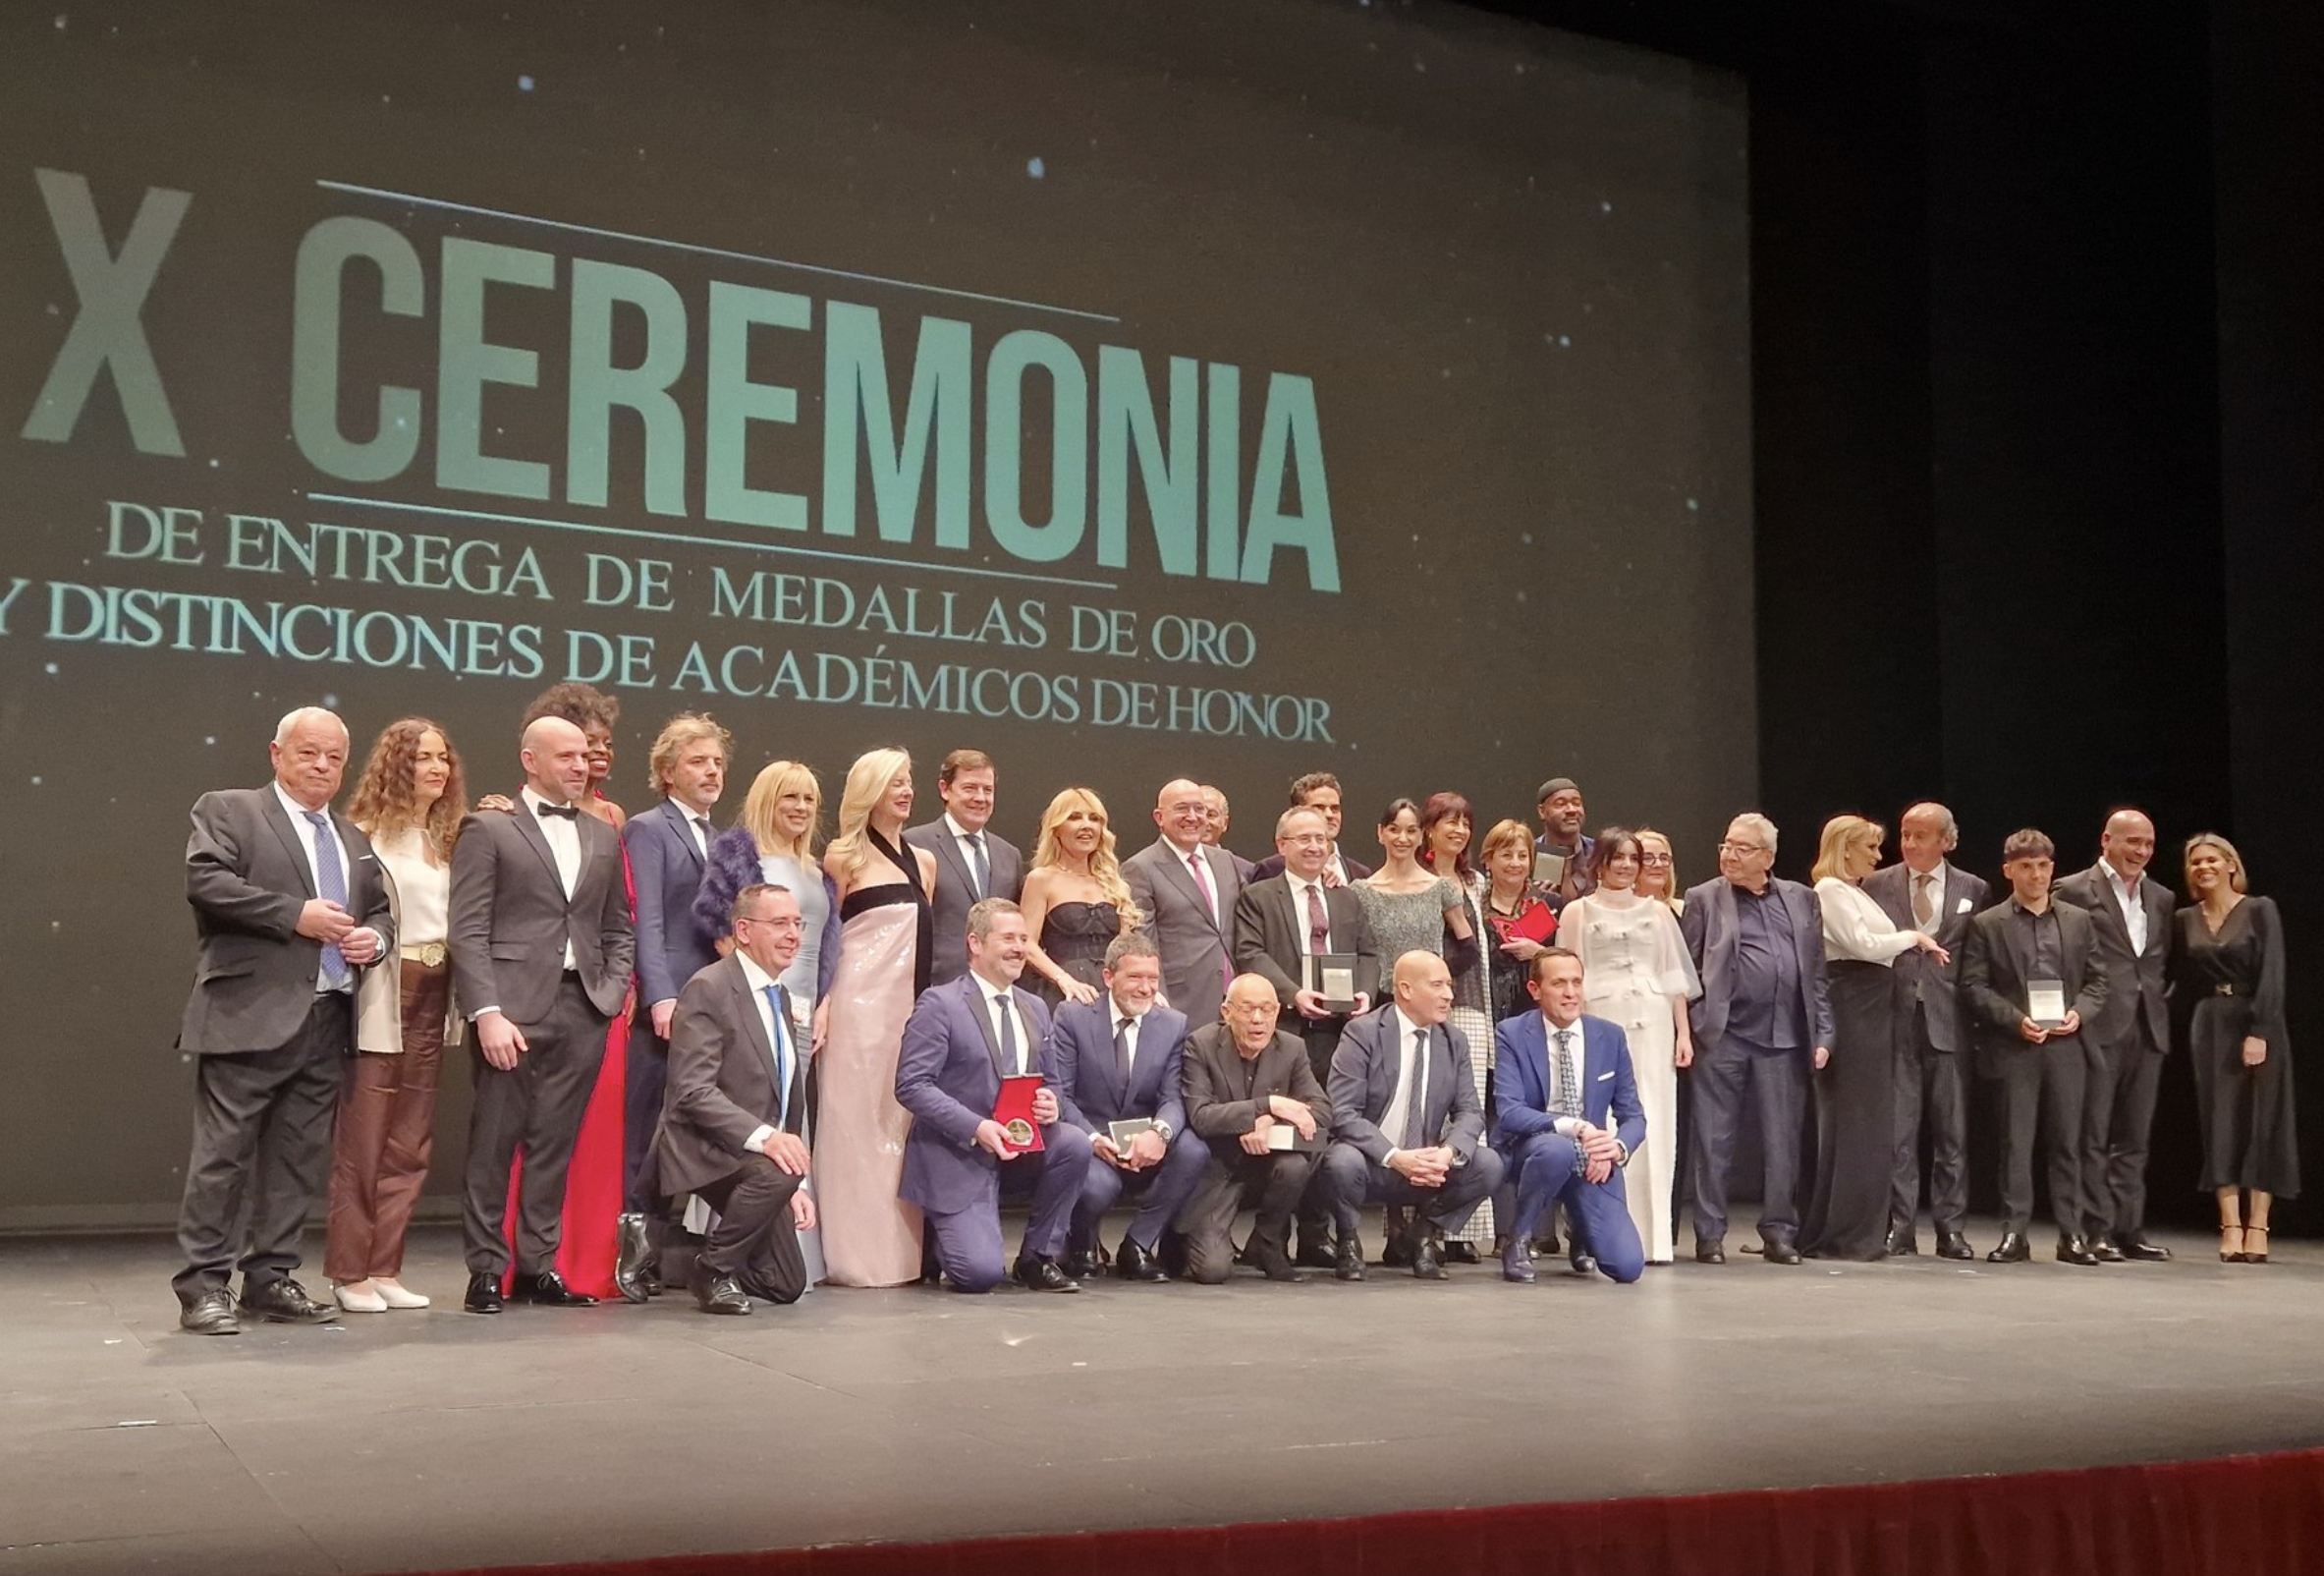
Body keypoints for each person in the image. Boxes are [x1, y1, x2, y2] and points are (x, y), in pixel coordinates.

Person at [173, 707, 392, 1335]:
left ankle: (270, 1278)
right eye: (308, 754)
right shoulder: (229, 809)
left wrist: (372, 944)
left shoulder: (352, 837)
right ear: (277, 753)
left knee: (297, 1158)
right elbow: (206, 881)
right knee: (223, 1157)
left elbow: (379, 913)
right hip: (247, 1013)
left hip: (326, 1016)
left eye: (333, 758)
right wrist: (293, 915)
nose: (322, 767)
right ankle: (203, 1287)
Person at [450, 715, 634, 1314]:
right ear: (530, 760)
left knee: (556, 1144)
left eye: (585, 756)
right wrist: (486, 1011)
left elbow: (617, 926)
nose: (580, 766)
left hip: (582, 1006)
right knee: (494, 1145)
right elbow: (469, 930)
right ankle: (485, 1270)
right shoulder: (488, 828)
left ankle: (537, 1267)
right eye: (566, 756)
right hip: (512, 1010)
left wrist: (609, 994)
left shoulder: (604, 835)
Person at [329, 717, 465, 1314]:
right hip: (386, 988)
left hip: (437, 989)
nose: (437, 768)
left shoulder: (447, 837)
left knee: (411, 1136)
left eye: (443, 758)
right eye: (422, 758)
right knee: (366, 1132)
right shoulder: (362, 834)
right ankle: (349, 1271)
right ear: (395, 765)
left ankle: (385, 1266)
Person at [506, 682, 634, 1302]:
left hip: (596, 997)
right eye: (583, 747)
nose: (594, 758)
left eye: (602, 746)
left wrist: (615, 987)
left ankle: (568, 1262)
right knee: (510, 1137)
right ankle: (506, 1264)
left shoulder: (612, 822)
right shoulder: (506, 819)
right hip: (526, 997)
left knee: (574, 1137)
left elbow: (620, 918)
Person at [895, 899, 1092, 1293]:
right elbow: (911, 1084)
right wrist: (977, 1127)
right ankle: (942, 1238)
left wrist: (1049, 1102)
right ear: (975, 943)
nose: (1020, 947)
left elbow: (1049, 1081)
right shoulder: (940, 1004)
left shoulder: (1035, 1006)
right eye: (1008, 938)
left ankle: (1037, 1257)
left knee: (1073, 1143)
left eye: (1024, 938)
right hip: (960, 1150)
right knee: (979, 1276)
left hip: (1020, 1144)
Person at [653, 884, 816, 1315]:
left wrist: (791, 1180)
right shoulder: (710, 987)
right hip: (705, 1145)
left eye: (797, 924)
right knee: (777, 1171)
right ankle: (712, 1269)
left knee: (785, 1284)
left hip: (748, 1155)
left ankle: (676, 1263)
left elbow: (784, 1088)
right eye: (779, 923)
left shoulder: (777, 994)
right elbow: (692, 1091)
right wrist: (769, 1143)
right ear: (743, 930)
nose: (793, 934)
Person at [1680, 813, 1832, 1266]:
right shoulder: (1703, 897)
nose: (1729, 854)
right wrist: (1698, 1021)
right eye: (1726, 845)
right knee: (1713, 1140)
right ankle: (1709, 1235)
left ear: (1767, 856)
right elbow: (1686, 971)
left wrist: (1824, 1031)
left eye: (1742, 848)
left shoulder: (1803, 899)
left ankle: (1780, 1232)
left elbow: (1818, 973)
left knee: (1782, 1141)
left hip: (1785, 1037)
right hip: (1723, 1036)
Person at [614, 711, 731, 1301]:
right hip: (670, 1003)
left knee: (688, 1131)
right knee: (645, 1132)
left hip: (714, 1005)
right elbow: (647, 920)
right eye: (697, 761)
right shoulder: (648, 829)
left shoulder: (721, 837)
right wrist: (660, 996)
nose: (711, 771)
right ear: (666, 772)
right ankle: (631, 1255)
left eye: (716, 762)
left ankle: (666, 1251)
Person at [1233, 804, 1382, 1266]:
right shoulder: (1259, 896)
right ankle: (1270, 1235)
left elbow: (1369, 954)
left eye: (1322, 839)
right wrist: (1293, 994)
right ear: (1282, 846)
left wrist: (1365, 993)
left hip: (1340, 1035)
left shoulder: (1347, 898)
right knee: (1292, 1135)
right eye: (1304, 839)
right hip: (1287, 1030)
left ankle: (1316, 1235)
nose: (1315, 846)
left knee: (1328, 1130)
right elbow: (1250, 952)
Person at [1959, 828, 2111, 1266]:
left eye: (2044, 866)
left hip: (2066, 1045)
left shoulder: (2079, 920)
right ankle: (2015, 1234)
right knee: (2015, 1142)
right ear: (2009, 871)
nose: (2037, 875)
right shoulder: (1988, 924)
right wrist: (2015, 1021)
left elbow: (2099, 980)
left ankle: (2072, 1235)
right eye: (2026, 866)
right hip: (2015, 1046)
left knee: (2068, 1143)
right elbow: (1974, 985)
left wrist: (2079, 1013)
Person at [1799, 816, 1948, 1263]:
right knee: (1854, 1121)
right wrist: (1915, 937)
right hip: (1853, 1007)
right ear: (1845, 849)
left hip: (1871, 1009)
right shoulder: (1829, 890)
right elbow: (1863, 945)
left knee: (1869, 1122)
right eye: (1869, 848)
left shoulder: (1853, 892)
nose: (1878, 857)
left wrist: (1907, 940)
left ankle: (1857, 1228)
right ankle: (1844, 1232)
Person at [818, 748, 937, 1287]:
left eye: (909, 782)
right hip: (856, 1009)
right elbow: (828, 938)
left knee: (899, 1126)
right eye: (895, 783)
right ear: (869, 790)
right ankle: (853, 1256)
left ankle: (901, 1254)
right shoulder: (843, 857)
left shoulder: (925, 861)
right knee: (854, 1126)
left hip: (906, 1013)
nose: (907, 792)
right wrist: (823, 1002)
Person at [1554, 829, 1696, 1266]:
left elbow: (1673, 978)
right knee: (1605, 1120)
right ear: (1600, 862)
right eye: (1618, 858)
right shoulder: (1579, 911)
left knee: (1653, 1119)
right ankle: (1601, 1236)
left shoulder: (1657, 912)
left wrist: (1683, 1034)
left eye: (1634, 858)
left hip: (1653, 1024)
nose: (1627, 866)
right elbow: (1566, 973)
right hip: (1601, 1019)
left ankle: (1653, 1239)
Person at [1318, 952, 1505, 1279]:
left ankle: (1424, 1234)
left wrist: (1447, 1154)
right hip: (1373, 1161)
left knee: (1488, 1164)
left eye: (1449, 985)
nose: (1449, 994)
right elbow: (1343, 1112)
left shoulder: (1453, 1040)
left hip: (1427, 1167)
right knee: (1340, 1161)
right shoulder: (1362, 1033)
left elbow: (1471, 1112)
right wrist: (1395, 1157)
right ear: (1405, 989)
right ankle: (1349, 1239)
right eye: (1437, 985)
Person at [1862, 802, 1987, 1259]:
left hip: (1948, 1023)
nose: (1910, 843)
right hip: (1894, 1019)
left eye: (1921, 835)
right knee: (1899, 1131)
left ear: (1947, 842)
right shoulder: (1877, 884)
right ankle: (1900, 1225)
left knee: (1951, 1133)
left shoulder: (1973, 888)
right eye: (1906, 834)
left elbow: (1976, 960)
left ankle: (1951, 1228)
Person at [2052, 811, 2177, 1262]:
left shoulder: (2161, 897)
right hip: (2098, 1025)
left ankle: (2129, 1229)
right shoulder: (2073, 889)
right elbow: (2059, 955)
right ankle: (2094, 1229)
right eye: (2132, 842)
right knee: (2094, 1134)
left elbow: (2158, 960)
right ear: (2107, 840)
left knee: (2134, 1137)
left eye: (2148, 843)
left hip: (2148, 1027)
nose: (2140, 851)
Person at [1047, 931, 1206, 1280]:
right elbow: (1061, 1095)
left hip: (1145, 1143)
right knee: (1097, 1185)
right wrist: (1091, 1139)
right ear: (1108, 977)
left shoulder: (1173, 1024)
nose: (1146, 988)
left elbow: (1173, 1097)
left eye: (1152, 978)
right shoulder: (1072, 1017)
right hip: (1092, 1143)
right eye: (1135, 977)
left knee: (1194, 1149)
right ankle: (1082, 1245)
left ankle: (1138, 1243)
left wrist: (1159, 1133)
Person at [2176, 834, 2297, 1264]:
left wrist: (2260, 1030)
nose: (2203, 867)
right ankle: (2229, 1224)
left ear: (2231, 864)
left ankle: (2258, 1226)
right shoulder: (2186, 918)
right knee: (2219, 1122)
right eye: (2195, 862)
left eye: (2211, 860)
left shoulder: (2260, 909)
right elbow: (2177, 979)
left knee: (2262, 1120)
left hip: (2256, 1018)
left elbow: (2273, 971)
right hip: (2210, 1023)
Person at [1493, 948, 1647, 1285]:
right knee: (1556, 1149)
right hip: (1533, 1149)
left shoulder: (1610, 1036)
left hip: (1592, 1159)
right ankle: (1518, 1239)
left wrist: (1616, 1149)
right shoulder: (1512, 1033)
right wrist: (1574, 1128)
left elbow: (1633, 1115)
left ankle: (1580, 1229)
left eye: (1577, 982)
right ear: (1535, 990)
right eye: (1559, 983)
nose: (1571, 992)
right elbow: (1510, 1111)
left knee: (1627, 1267)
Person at [1179, 974, 1333, 1283]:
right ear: (1227, 1012)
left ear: (1277, 1012)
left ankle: (1267, 1241)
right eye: (1248, 1009)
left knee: (1296, 1165)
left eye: (1267, 1009)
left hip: (1267, 1166)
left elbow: (1323, 1111)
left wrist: (1267, 1120)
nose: (1258, 1019)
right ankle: (1183, 1239)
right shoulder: (1201, 1045)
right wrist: (1269, 1106)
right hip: (1219, 1169)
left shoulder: (1291, 1048)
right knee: (1213, 1271)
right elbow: (1201, 1116)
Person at [1418, 792, 1497, 1258]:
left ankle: (1460, 1231)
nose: (1459, 830)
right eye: (1448, 822)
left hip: (1475, 1007)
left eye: (1465, 822)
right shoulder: (1420, 880)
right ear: (1428, 829)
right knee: (1425, 1119)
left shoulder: (1474, 881)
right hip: (1437, 1006)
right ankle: (1420, 1228)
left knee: (1469, 1122)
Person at [1122, 777, 1245, 1032]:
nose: (1193, 816)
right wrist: (1157, 1000)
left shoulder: (1226, 861)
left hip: (1235, 1006)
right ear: (1159, 817)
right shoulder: (1140, 868)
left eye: (1200, 809)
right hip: (1180, 1005)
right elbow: (1143, 943)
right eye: (1181, 808)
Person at [905, 749, 1023, 988]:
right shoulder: (913, 844)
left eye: (987, 790)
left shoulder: (1010, 856)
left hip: (997, 991)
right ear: (944, 789)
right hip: (934, 987)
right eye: (970, 788)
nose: (980, 798)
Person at [1019, 787, 1142, 1009]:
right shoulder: (1041, 879)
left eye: (1094, 819)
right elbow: (1026, 942)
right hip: (1062, 996)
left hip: (1111, 997)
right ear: (1056, 829)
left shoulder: (1114, 883)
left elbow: (1126, 949)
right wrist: (1062, 978)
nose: (1087, 825)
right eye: (1074, 818)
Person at [1247, 771, 1374, 885]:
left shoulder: (1360, 873)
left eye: (1335, 808)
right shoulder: (1271, 869)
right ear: (1297, 812)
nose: (1329, 815)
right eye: (1319, 807)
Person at [1533, 777, 1595, 901]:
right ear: (1542, 811)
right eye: (1560, 804)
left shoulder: (1599, 853)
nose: (1571, 810)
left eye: (1577, 803)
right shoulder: (1528, 856)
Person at [1200, 784, 1257, 880]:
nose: (1205, 822)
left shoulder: (1245, 871)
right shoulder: (1168, 868)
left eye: (1211, 815)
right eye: (1199, 814)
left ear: (1225, 823)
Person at [1634, 828, 1684, 913]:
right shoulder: (1620, 911)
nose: (1658, 864)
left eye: (1664, 858)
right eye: (1647, 858)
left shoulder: (1684, 909)